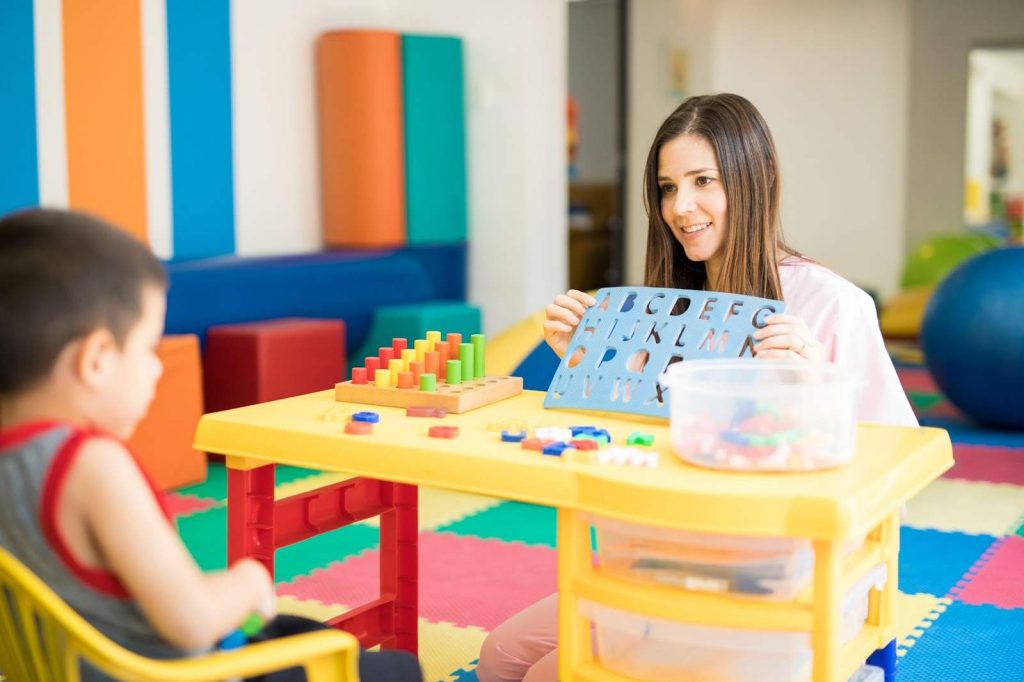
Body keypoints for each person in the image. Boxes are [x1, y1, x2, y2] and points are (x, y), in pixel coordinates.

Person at [476, 93, 917, 682]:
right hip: (668, 554)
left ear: (754, 178)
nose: (681, 208)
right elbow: (638, 450)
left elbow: (897, 483)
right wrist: (588, 366)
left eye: (702, 181)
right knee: (499, 658)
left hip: (781, 578)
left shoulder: (835, 306)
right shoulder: (668, 308)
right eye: (666, 188)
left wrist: (818, 390)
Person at [0, 209, 422, 682]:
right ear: (96, 360)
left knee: (298, 631)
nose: (157, 369)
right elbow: (191, 620)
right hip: (176, 674)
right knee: (396, 670)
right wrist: (250, 580)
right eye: (148, 349)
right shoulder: (90, 465)